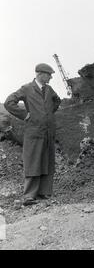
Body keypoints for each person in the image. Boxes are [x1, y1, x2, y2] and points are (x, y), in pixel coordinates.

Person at [4, 63, 61, 206]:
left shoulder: (49, 89)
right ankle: (29, 195)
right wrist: (25, 115)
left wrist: (48, 114)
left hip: (48, 131)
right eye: (49, 74)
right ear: (40, 74)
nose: (51, 77)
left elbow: (57, 100)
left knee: (47, 161)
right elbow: (9, 102)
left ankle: (44, 193)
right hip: (34, 131)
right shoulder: (27, 88)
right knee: (33, 161)